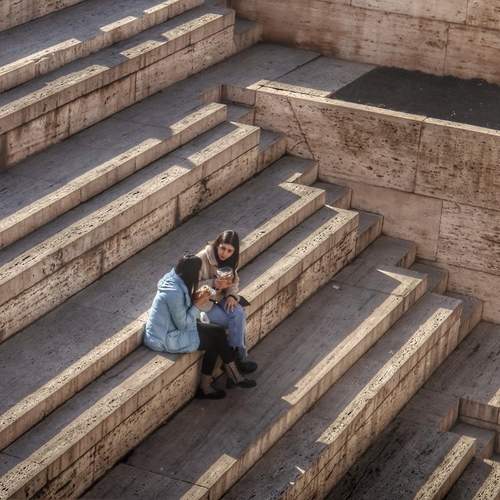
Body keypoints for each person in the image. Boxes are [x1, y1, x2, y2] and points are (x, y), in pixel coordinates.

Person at [144, 254, 256, 400]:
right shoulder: (174, 293)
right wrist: (198, 304)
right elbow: (183, 324)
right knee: (215, 339)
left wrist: (199, 297)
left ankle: (222, 380)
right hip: (165, 338)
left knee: (217, 332)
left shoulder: (176, 279)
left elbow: (182, 313)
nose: (198, 275)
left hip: (172, 328)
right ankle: (226, 379)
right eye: (197, 272)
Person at [197, 230, 258, 375]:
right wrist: (213, 283)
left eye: (230, 251)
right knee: (236, 321)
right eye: (222, 248)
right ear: (217, 244)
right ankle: (236, 361)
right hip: (203, 303)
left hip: (221, 298)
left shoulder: (232, 260)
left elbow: (234, 282)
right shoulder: (202, 258)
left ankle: (238, 358)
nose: (225, 253)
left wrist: (231, 295)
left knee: (238, 313)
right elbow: (191, 286)